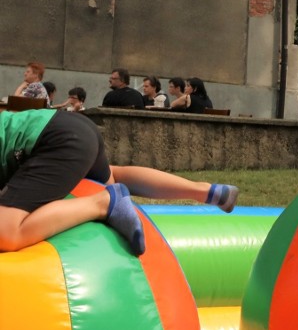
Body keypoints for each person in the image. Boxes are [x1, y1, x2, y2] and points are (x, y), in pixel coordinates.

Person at [0, 109, 240, 257]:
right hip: (73, 125)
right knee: (113, 175)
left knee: (7, 233)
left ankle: (104, 203)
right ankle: (205, 190)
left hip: (52, 139)